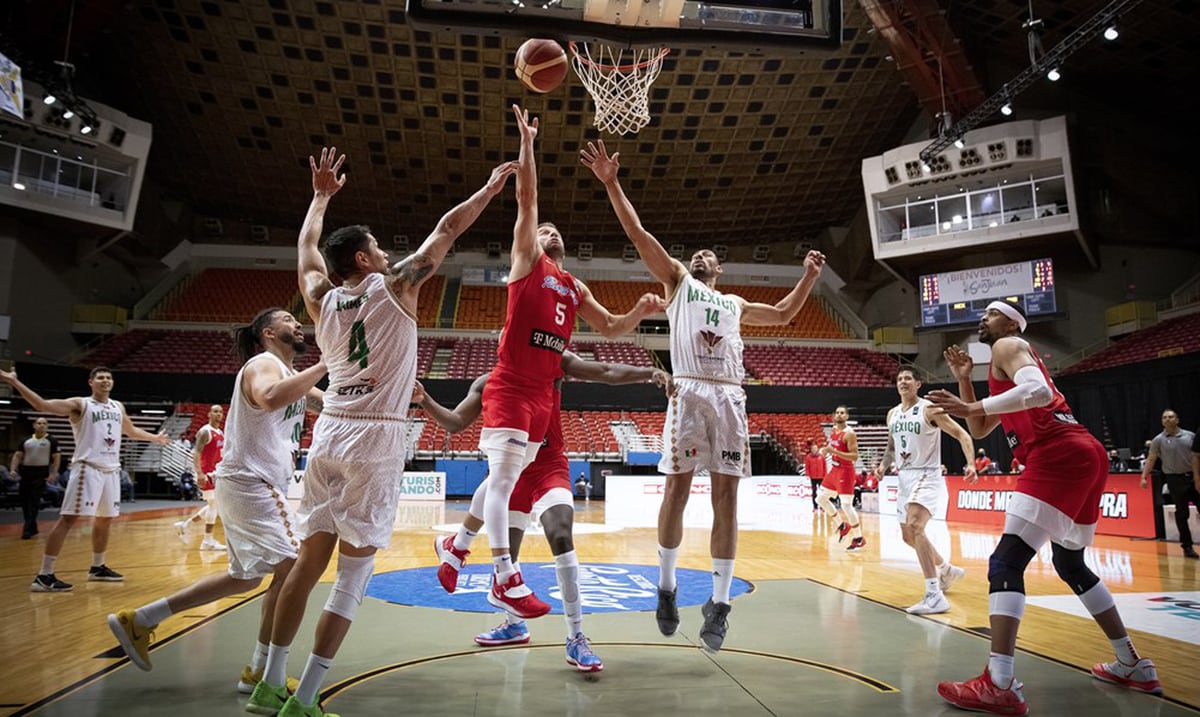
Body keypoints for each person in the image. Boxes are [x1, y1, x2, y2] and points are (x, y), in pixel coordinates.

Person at [248, 147, 517, 717]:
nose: (387, 251)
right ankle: (306, 698)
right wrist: (491, 191)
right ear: (366, 260)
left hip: (328, 433)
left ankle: (268, 682)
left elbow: (305, 252)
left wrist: (320, 196)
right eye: (378, 246)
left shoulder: (319, 299)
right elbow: (446, 228)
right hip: (375, 436)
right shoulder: (395, 285)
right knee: (354, 571)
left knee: (308, 560)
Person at [581, 137, 826, 652]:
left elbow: (783, 315)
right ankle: (666, 587)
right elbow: (638, 232)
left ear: (721, 269)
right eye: (696, 253)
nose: (700, 255)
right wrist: (612, 183)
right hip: (690, 392)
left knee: (726, 498)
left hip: (730, 397)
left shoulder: (733, 302)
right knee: (676, 490)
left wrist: (807, 278)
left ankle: (719, 604)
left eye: (708, 254)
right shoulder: (677, 283)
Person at [475, 107, 664, 623]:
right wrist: (529, 145)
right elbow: (528, 199)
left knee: (520, 501)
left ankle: (478, 561)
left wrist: (640, 312)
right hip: (516, 387)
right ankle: (484, 568)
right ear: (533, 242)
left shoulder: (575, 286)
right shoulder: (527, 263)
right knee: (503, 499)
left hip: (542, 398)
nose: (551, 232)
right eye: (544, 230)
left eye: (557, 231)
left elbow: (610, 329)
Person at [928, 301, 1161, 715]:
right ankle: (1133, 664)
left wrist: (972, 407)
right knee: (1071, 564)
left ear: (1012, 323)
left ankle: (999, 682)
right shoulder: (1002, 367)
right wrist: (966, 385)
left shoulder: (1009, 344)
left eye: (992, 313)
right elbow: (981, 429)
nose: (983, 318)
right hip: (1085, 453)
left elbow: (1036, 391)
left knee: (1005, 563)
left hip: (1057, 454)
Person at [107, 308, 326, 694]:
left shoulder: (291, 374)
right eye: (289, 319)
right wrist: (327, 363)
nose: (298, 324)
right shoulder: (263, 364)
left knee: (246, 578)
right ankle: (263, 671)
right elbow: (271, 398)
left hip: (248, 481)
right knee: (293, 568)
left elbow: (327, 404)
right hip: (250, 480)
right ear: (269, 332)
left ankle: (140, 619)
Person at [426, 352, 672, 672]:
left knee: (560, 534)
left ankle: (576, 636)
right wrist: (424, 400)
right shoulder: (489, 383)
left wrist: (648, 372)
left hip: (548, 467)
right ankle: (514, 625)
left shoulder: (551, 361)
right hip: (514, 473)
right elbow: (456, 422)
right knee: (507, 558)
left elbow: (606, 369)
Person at [0, 366, 170, 592]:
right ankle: (44, 574)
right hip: (87, 469)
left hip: (111, 469)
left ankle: (97, 567)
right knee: (68, 519)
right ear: (91, 382)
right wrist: (14, 382)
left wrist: (155, 438)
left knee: (105, 519)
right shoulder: (80, 404)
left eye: (109, 378)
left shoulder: (117, 406)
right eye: (100, 378)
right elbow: (42, 405)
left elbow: (130, 430)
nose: (105, 381)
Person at [874, 367, 976, 615]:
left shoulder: (929, 409)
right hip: (904, 478)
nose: (903, 382)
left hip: (927, 474)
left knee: (916, 527)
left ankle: (934, 594)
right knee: (908, 536)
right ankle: (946, 570)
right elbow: (891, 446)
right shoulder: (893, 414)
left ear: (918, 384)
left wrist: (971, 463)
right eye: (899, 379)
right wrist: (883, 465)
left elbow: (962, 434)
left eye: (908, 378)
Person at [1141, 409, 1198, 559]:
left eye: (1170, 417)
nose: (1167, 419)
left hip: (1194, 477)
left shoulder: (1190, 436)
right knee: (1182, 513)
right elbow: (1151, 459)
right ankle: (1187, 547)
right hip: (1175, 480)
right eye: (1164, 417)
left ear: (1177, 420)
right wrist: (1144, 476)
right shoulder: (1158, 440)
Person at [175, 404, 226, 550]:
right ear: (209, 414)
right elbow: (196, 453)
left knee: (213, 505)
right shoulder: (205, 431)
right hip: (205, 473)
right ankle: (207, 541)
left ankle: (186, 525)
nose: (218, 414)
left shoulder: (220, 432)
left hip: (216, 473)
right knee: (214, 504)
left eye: (220, 412)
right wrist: (199, 473)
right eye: (215, 411)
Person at [818, 406, 866, 552]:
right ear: (834, 415)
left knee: (846, 505)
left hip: (845, 471)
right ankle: (842, 525)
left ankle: (858, 538)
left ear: (847, 416)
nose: (839, 415)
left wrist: (834, 451)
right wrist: (826, 449)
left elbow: (854, 456)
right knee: (820, 499)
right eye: (837, 412)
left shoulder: (849, 434)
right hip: (834, 469)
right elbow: (832, 446)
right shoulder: (833, 430)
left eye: (842, 413)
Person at [10, 416, 61, 539]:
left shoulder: (52, 441)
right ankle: (32, 527)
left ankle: (27, 530)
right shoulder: (26, 440)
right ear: (34, 425)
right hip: (26, 472)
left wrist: (53, 473)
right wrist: (12, 469)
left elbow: (56, 458)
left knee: (34, 501)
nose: (41, 425)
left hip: (41, 473)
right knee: (25, 501)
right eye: (39, 423)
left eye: (44, 423)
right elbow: (17, 455)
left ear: (47, 426)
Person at [803, 440, 827, 511]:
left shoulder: (821, 457)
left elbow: (824, 466)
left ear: (817, 449)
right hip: (813, 477)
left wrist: (825, 475)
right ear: (811, 450)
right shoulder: (808, 457)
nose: (814, 450)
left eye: (815, 449)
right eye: (813, 449)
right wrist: (808, 475)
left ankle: (823, 506)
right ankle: (815, 506)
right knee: (814, 492)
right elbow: (807, 467)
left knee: (822, 492)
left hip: (821, 477)